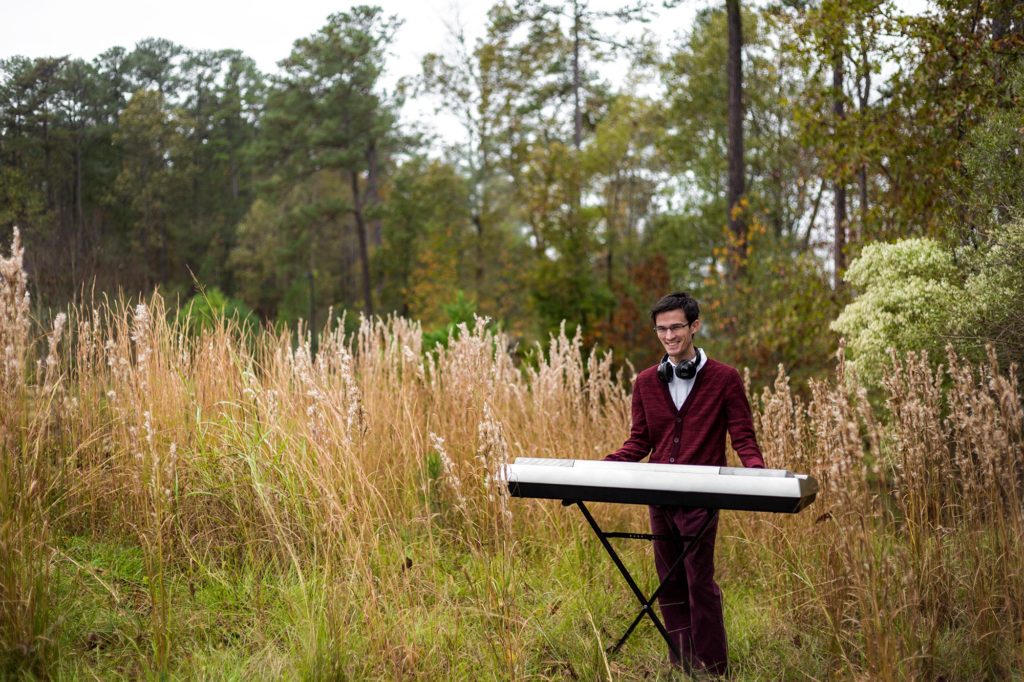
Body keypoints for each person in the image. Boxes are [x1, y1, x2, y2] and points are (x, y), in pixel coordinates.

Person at [605, 291, 764, 676]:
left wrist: (758, 473)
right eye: (662, 329)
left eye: (677, 326)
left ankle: (713, 667)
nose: (669, 335)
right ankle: (682, 664)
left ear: (695, 326)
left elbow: (742, 436)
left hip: (702, 496)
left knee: (699, 579)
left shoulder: (725, 379)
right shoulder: (645, 382)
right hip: (659, 498)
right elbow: (639, 441)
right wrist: (603, 468)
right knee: (669, 580)